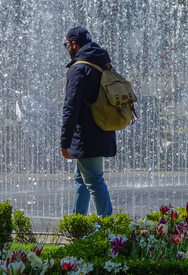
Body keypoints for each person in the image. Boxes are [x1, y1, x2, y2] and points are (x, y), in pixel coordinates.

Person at [60, 26, 115, 217]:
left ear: (73, 44)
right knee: (82, 179)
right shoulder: (102, 63)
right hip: (103, 128)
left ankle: (108, 226)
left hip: (85, 135)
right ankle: (77, 222)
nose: (66, 48)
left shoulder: (78, 69)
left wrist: (64, 142)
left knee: (93, 180)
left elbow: (70, 107)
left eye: (66, 45)